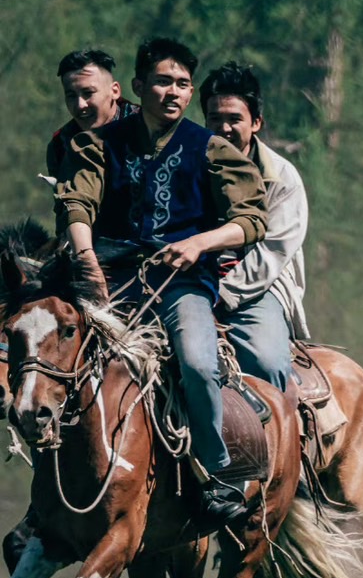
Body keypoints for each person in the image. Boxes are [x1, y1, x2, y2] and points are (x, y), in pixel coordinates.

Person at [55, 37, 269, 529]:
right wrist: (85, 258)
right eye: (163, 81)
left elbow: (251, 219)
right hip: (110, 283)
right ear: (137, 86)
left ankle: (219, 475)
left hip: (181, 284)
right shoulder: (99, 144)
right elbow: (77, 204)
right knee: (50, 350)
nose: (174, 92)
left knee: (196, 360)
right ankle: (54, 470)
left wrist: (201, 243)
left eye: (183, 84)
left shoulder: (210, 148)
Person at [201, 62, 309, 392]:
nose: (224, 128)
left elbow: (272, 255)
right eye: (215, 118)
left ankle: (274, 442)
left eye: (234, 119)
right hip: (194, 280)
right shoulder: (188, 165)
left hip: (257, 288)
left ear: (256, 122)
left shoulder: (282, 177)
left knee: (267, 363)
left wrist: (221, 296)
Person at [46, 49, 138, 177]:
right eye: (71, 95)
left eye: (88, 93)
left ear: (115, 91)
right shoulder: (61, 145)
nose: (80, 105)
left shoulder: (146, 128)